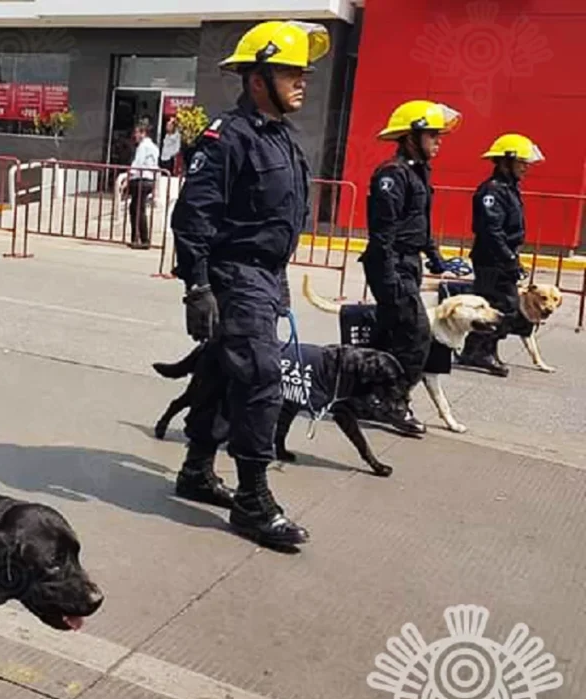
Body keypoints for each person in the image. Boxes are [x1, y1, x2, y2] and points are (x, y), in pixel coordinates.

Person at [169, 20, 329, 549]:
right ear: (258, 80)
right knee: (261, 379)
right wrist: (197, 286)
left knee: (219, 373)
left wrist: (278, 282)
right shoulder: (228, 138)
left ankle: (196, 469)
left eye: (304, 72)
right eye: (290, 72)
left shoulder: (280, 136)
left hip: (262, 277)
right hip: (234, 277)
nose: (302, 81)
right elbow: (193, 217)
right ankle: (253, 499)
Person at [359, 99, 461, 435]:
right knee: (416, 336)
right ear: (411, 136)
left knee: (388, 336)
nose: (439, 141)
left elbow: (420, 223)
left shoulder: (418, 173)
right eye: (433, 135)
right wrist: (389, 275)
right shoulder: (393, 174)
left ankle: (365, 396)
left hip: (408, 263)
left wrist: (435, 258)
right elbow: (383, 231)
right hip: (391, 263)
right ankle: (394, 402)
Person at [456, 134, 544, 376]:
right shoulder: (492, 191)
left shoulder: (509, 189)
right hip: (491, 259)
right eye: (522, 162)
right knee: (504, 307)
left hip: (502, 257)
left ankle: (477, 350)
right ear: (506, 161)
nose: (526, 167)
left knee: (497, 306)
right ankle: (481, 352)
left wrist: (512, 258)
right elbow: (491, 231)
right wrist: (508, 259)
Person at [124, 119, 160, 249]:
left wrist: (127, 178)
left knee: (138, 210)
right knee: (137, 208)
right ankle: (137, 238)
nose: (135, 135)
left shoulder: (143, 147)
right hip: (149, 180)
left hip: (141, 179)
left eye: (137, 133)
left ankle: (142, 239)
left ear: (143, 133)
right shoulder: (154, 147)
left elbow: (137, 164)